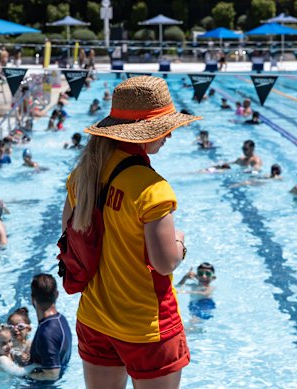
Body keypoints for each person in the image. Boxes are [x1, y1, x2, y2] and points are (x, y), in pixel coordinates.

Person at [62, 76, 197, 387]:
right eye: (165, 128)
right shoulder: (153, 189)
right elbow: (164, 263)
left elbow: (70, 239)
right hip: (146, 326)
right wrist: (181, 242)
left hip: (95, 319)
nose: (170, 135)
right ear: (144, 133)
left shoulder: (82, 174)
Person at [28, 274, 72, 381]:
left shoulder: (47, 333)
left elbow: (52, 375)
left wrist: (22, 373)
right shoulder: (61, 319)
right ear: (56, 294)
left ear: (32, 298)